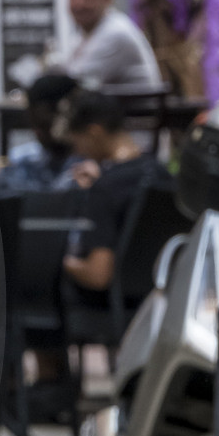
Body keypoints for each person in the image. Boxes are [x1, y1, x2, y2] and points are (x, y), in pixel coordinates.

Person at [61, 90, 153, 303]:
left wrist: (61, 262)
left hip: (110, 305)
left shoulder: (105, 189)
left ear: (94, 133)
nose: (78, 152)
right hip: (154, 299)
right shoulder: (160, 174)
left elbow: (98, 275)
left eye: (78, 142)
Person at [51, 0, 162, 94]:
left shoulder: (115, 33)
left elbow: (69, 83)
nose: (79, 3)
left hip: (136, 114)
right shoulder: (86, 34)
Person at [0, 71, 81, 195]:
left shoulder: (92, 166)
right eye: (34, 125)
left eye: (45, 126)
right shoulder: (21, 163)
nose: (38, 133)